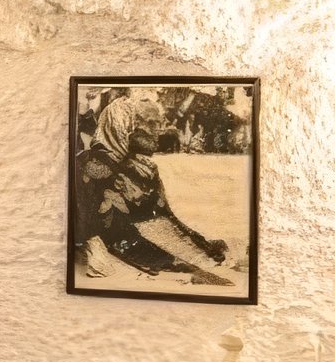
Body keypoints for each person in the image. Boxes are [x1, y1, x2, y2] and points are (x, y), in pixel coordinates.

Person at [76, 92, 237, 289]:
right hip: (124, 259)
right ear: (125, 127)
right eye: (150, 124)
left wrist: (205, 250)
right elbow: (117, 235)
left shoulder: (142, 169)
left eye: (158, 123)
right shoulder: (91, 167)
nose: (158, 131)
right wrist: (188, 267)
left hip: (147, 246)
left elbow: (167, 219)